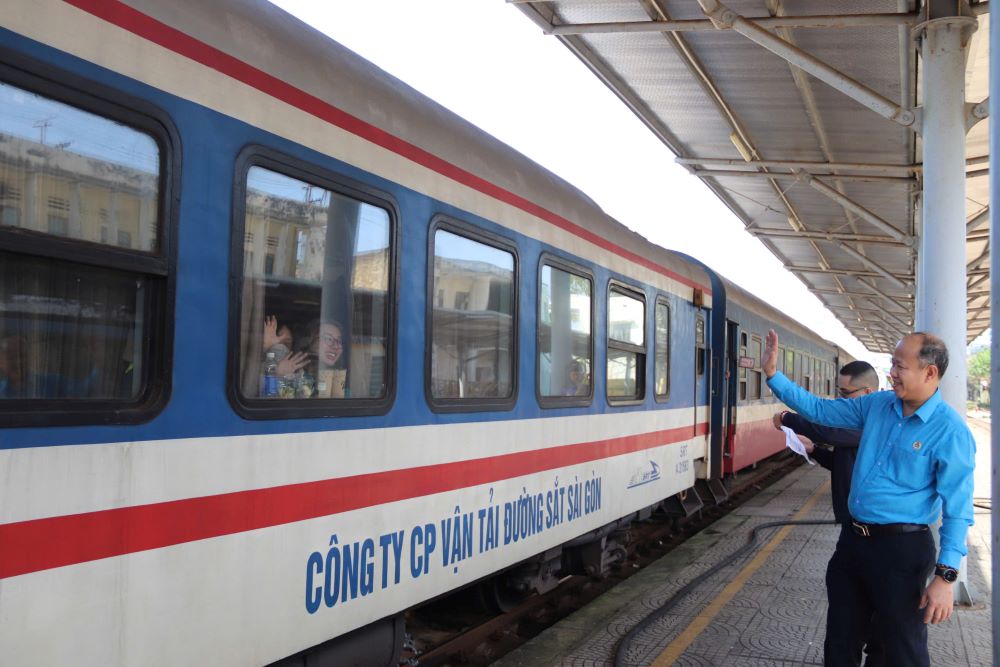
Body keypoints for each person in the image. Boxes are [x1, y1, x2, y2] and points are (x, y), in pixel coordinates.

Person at [763, 330, 974, 667]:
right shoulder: (877, 405)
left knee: (900, 650)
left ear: (929, 372)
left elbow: (958, 510)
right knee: (840, 643)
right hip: (853, 545)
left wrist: (945, 576)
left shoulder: (950, 431)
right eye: (893, 364)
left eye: (900, 366)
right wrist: (774, 376)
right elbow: (820, 410)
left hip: (901, 554)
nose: (892, 373)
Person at [772, 360, 882, 665]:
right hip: (852, 533)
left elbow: (829, 430)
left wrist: (788, 418)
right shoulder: (855, 422)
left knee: (881, 631)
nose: (838, 401)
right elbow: (843, 462)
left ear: (867, 392)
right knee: (842, 626)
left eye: (845, 394)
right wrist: (814, 452)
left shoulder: (870, 420)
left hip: (882, 542)